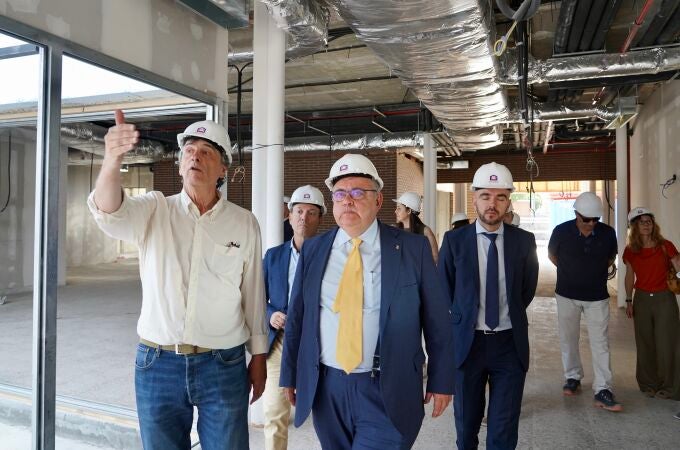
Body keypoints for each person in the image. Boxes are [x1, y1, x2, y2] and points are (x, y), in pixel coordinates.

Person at [88, 110, 268, 450]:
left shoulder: (244, 223)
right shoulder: (155, 210)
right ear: (180, 163)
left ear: (222, 169)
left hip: (223, 363)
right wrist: (112, 159)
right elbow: (109, 213)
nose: (195, 156)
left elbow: (253, 294)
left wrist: (258, 357)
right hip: (158, 364)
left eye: (206, 152)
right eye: (189, 150)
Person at [280, 153, 454, 449]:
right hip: (327, 387)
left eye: (358, 192)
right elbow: (297, 316)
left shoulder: (412, 249)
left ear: (378, 200)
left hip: (388, 385)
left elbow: (437, 319)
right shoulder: (314, 250)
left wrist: (442, 379)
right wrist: (290, 374)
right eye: (340, 194)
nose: (348, 200)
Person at [439, 162, 539, 450]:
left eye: (500, 197)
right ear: (474, 198)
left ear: (509, 200)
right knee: (466, 426)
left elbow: (526, 290)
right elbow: (445, 290)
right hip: (467, 346)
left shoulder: (524, 242)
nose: (492, 204)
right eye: (485, 196)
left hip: (509, 346)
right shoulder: (454, 241)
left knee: (504, 431)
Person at [262, 185, 326, 450]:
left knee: (327, 415)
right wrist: (270, 314)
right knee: (275, 413)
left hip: (319, 344)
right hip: (280, 343)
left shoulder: (330, 255)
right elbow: (256, 298)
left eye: (312, 213)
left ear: (320, 219)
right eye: (299, 211)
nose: (304, 218)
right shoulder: (273, 256)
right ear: (289, 215)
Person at [548, 192, 621, 412]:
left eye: (595, 220)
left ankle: (603, 389)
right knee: (568, 339)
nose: (591, 224)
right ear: (576, 214)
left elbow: (610, 258)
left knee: (600, 343)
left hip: (597, 297)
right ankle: (572, 377)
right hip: (566, 295)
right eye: (586, 219)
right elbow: (553, 256)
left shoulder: (608, 234)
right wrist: (572, 273)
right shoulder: (561, 231)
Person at [623, 207, 680, 400]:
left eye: (649, 221)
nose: (646, 224)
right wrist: (629, 299)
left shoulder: (666, 245)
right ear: (634, 226)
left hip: (665, 299)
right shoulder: (631, 251)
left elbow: (678, 267)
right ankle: (648, 384)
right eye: (641, 221)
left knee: (667, 343)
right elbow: (630, 276)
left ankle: (670, 387)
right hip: (642, 299)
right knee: (645, 343)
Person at [393, 191, 439, 263]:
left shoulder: (425, 231)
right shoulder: (394, 230)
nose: (395, 211)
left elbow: (435, 258)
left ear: (408, 211)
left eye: (399, 208)